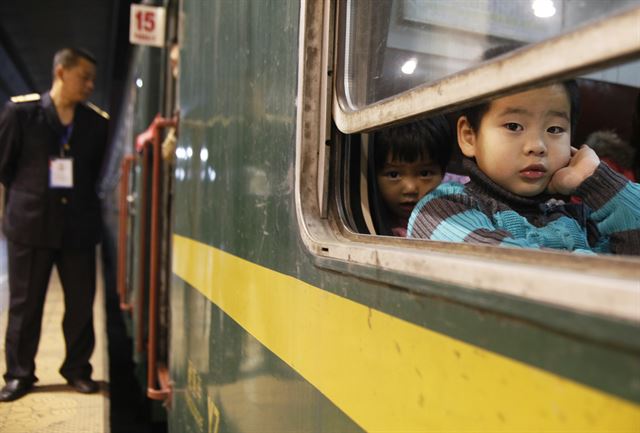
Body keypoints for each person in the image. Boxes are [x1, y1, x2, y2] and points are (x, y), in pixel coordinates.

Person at [407, 81, 640, 255]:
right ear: (469, 136)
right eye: (513, 126)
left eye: (555, 129)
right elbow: (515, 276)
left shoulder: (575, 215)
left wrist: (596, 179)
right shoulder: (440, 209)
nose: (537, 146)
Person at [0, 47, 109, 402]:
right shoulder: (22, 114)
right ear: (61, 72)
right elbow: (4, 167)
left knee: (81, 305)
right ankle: (19, 374)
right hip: (30, 227)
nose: (90, 84)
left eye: (92, 78)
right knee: (25, 305)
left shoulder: (95, 123)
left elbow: (94, 173)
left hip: (78, 228)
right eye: (84, 77)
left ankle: (77, 370)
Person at [371, 116, 453, 236]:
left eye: (425, 174)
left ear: (443, 172)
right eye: (394, 174)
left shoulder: (454, 212)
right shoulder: (371, 220)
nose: (410, 188)